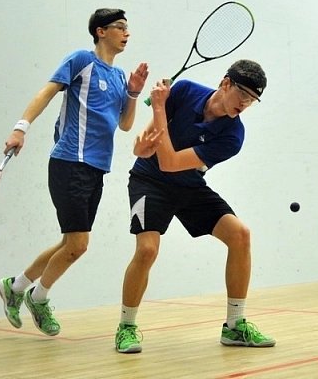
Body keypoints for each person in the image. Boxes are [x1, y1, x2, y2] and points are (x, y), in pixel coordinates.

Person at [0, 8, 149, 336]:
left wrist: (134, 93)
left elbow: (125, 125)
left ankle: (16, 285)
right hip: (70, 163)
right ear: (100, 31)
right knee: (78, 245)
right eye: (120, 27)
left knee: (69, 243)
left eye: (128, 28)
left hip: (96, 169)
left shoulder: (120, 76)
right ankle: (38, 297)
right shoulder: (81, 60)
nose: (127, 33)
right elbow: (47, 91)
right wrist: (20, 128)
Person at [115, 59, 275, 353]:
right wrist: (144, 142)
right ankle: (126, 327)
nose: (246, 103)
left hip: (188, 185)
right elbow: (141, 148)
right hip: (148, 181)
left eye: (253, 100)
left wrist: (160, 108)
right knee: (147, 249)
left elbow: (171, 162)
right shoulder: (185, 91)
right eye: (243, 94)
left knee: (240, 235)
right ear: (226, 83)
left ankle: (235, 326)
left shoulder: (233, 136)